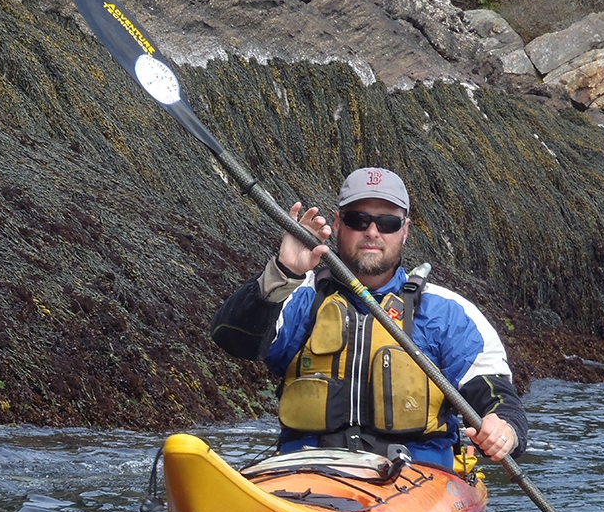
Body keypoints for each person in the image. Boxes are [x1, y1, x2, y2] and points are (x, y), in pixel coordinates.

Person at [210, 167, 527, 466]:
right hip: (308, 472)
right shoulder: (296, 296)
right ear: (337, 224)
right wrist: (284, 270)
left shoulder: (448, 313)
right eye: (357, 220)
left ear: (404, 231)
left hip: (416, 482)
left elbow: (497, 397)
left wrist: (505, 429)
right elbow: (232, 338)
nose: (372, 231)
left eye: (387, 222)